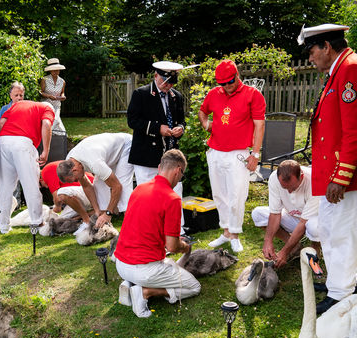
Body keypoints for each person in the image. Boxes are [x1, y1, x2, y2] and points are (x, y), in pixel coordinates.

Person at [298, 24, 357, 314]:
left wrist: (341, 176)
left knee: (342, 233)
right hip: (332, 171)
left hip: (344, 174)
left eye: (312, 51)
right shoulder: (340, 69)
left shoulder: (351, 68)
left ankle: (342, 294)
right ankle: (339, 282)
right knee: (329, 229)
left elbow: (356, 129)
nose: (310, 59)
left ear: (326, 46)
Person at [114, 149, 200, 318]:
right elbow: (172, 246)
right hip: (144, 269)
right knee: (194, 287)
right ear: (178, 171)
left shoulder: (139, 189)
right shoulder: (172, 198)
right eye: (181, 175)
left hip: (121, 264)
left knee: (167, 263)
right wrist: (185, 247)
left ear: (160, 167)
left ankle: (129, 283)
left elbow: (147, 227)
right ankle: (146, 292)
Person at [198, 60, 266, 253]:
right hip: (216, 151)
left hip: (239, 152)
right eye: (222, 84)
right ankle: (226, 231)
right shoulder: (214, 93)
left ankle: (235, 234)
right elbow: (202, 112)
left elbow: (260, 125)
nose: (226, 87)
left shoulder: (253, 95)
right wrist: (206, 124)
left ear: (237, 76)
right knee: (219, 193)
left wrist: (255, 153)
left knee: (237, 194)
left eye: (229, 82)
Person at [127, 61, 187, 233]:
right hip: (146, 153)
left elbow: (181, 120)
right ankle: (149, 231)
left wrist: (180, 129)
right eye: (165, 81)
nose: (168, 85)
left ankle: (177, 230)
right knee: (148, 194)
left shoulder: (176, 96)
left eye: (171, 82)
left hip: (169, 153)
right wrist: (157, 128)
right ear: (155, 76)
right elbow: (132, 121)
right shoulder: (141, 94)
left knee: (174, 191)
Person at [0, 100, 54, 234]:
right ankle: (37, 222)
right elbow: (46, 124)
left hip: (4, 141)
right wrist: (45, 150)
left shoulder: (17, 104)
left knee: (4, 187)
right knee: (31, 185)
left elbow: (0, 123)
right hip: (23, 143)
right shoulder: (47, 108)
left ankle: (3, 226)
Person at [57, 132, 134, 230]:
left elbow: (116, 187)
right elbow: (86, 186)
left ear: (74, 170)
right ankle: (104, 223)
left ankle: (132, 225)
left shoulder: (94, 163)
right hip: (108, 155)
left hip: (126, 146)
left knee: (123, 186)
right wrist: (97, 210)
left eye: (75, 179)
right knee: (98, 185)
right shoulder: (70, 161)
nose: (77, 180)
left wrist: (108, 213)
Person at [251, 160, 319, 268]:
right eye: (285, 188)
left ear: (301, 177)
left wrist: (284, 252)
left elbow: (303, 222)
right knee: (257, 214)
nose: (289, 192)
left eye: (292, 187)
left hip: (312, 220)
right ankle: (295, 247)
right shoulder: (274, 178)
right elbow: (275, 213)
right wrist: (268, 241)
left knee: (314, 228)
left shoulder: (314, 181)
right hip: (292, 216)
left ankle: (315, 252)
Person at [39, 58, 66, 135]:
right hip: (46, 105)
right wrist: (49, 96)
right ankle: (53, 135)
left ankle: (52, 135)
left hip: (57, 105)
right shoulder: (45, 79)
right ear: (50, 70)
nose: (56, 71)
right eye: (54, 70)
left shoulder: (62, 81)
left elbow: (62, 93)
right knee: (53, 121)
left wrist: (63, 97)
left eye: (57, 70)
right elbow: (40, 92)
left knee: (56, 120)